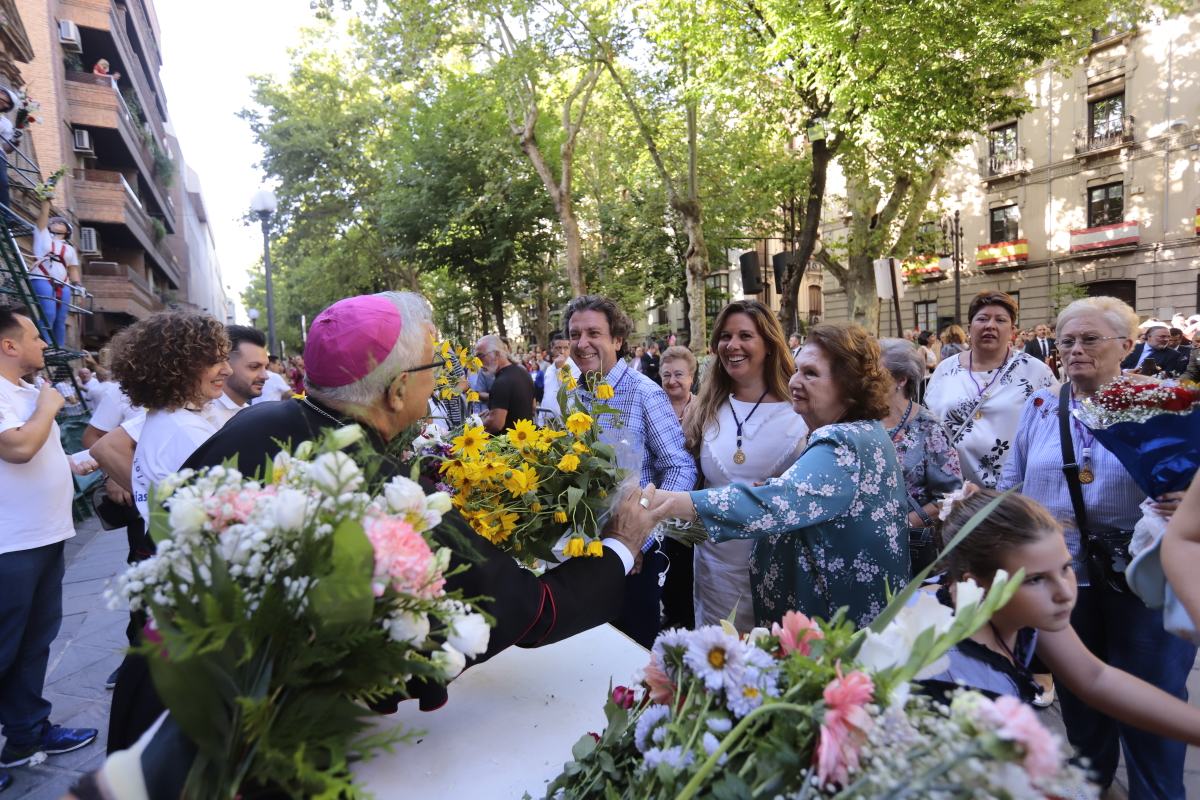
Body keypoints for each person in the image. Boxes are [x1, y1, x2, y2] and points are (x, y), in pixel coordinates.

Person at [106, 291, 649, 755]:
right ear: (394, 392)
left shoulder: (259, 421)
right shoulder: (378, 492)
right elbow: (530, 612)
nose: (439, 378)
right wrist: (622, 546)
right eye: (432, 367)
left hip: (152, 699)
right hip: (231, 745)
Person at [999, 296, 1193, 799]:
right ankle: (1090, 789)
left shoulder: (1161, 403)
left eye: (1090, 339)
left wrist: (1190, 498)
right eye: (1066, 341)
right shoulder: (1042, 406)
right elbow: (1011, 482)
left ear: (1127, 346)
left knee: (1153, 703)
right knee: (1081, 706)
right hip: (1062, 579)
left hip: (1141, 579)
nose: (1075, 350)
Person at [632, 322, 909, 628]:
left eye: (811, 373)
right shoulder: (860, 433)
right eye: (798, 369)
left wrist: (657, 502)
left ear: (849, 384)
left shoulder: (843, 442)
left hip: (837, 632)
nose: (795, 382)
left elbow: (768, 505)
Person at [923, 490, 1200, 791]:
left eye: (1066, 568)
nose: (1065, 593)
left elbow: (1095, 677)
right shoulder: (952, 673)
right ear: (974, 583)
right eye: (1035, 580)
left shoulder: (1008, 604)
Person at [561, 295, 697, 647]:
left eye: (594, 333)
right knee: (592, 647)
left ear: (617, 340)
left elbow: (680, 467)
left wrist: (641, 533)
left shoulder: (644, 393)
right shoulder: (573, 395)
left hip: (637, 556)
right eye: (575, 334)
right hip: (584, 551)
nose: (582, 343)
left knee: (633, 653)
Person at [0, 306, 98, 784]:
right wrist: (48, 408)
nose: (44, 345)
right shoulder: (19, 395)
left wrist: (76, 460)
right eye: (34, 337)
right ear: (8, 345)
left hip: (45, 534)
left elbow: (40, 451)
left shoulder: (25, 391)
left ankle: (25, 734)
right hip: (9, 544)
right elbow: (17, 447)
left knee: (33, 644)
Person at [683, 301, 806, 632]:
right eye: (725, 336)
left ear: (768, 345)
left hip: (777, 568)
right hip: (713, 566)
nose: (732, 345)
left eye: (745, 336)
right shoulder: (706, 407)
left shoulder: (801, 411)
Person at [108, 312, 231, 523]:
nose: (227, 370)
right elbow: (225, 511)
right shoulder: (185, 430)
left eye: (225, 359)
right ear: (178, 367)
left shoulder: (162, 418)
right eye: (214, 361)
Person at [926, 291, 1057, 489]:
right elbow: (928, 423)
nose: (990, 325)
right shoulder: (946, 369)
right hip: (952, 493)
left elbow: (1053, 429)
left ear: (1012, 330)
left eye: (1000, 320)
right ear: (970, 328)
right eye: (983, 319)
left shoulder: (1035, 371)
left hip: (1012, 494)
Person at [879, 338, 963, 575]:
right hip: (864, 549)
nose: (865, 379)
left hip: (912, 551)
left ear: (900, 379)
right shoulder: (858, 421)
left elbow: (950, 496)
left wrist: (905, 524)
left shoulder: (929, 427)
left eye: (875, 373)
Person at [29, 199, 82, 349]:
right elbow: (43, 215)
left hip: (63, 282)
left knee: (61, 318)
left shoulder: (70, 249)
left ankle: (59, 346)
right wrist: (45, 200)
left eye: (62, 223)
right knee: (48, 312)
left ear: (67, 230)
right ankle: (45, 343)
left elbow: (73, 268)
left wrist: (78, 284)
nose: (58, 223)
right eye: (55, 221)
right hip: (42, 277)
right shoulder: (42, 235)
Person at [205, 325, 268, 428]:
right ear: (226, 364)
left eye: (266, 367)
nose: (265, 376)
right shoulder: (208, 418)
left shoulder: (249, 412)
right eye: (254, 367)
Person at [474, 334, 534, 434]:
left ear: (497, 354)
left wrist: (477, 426)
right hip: (526, 441)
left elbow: (496, 424)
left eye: (480, 356)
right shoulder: (523, 372)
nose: (478, 362)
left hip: (507, 445)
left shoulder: (501, 382)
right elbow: (532, 407)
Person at [1122, 325, 1186, 377]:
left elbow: (1168, 375)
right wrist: (1127, 371)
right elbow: (1117, 366)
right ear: (1149, 336)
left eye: (1168, 337)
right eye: (1162, 336)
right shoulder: (1133, 348)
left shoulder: (1173, 355)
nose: (1166, 339)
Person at [0, 88, 19, 211]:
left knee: (2, 182)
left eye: (4, 101)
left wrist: (14, 142)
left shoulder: (6, 123)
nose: (1, 101)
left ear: (7, 107)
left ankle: (5, 215)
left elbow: (7, 149)